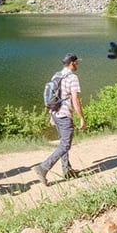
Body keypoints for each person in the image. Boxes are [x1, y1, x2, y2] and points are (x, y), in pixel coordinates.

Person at [35, 53, 86, 186]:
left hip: (55, 114)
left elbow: (52, 96)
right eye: (77, 62)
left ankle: (67, 170)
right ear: (72, 64)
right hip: (64, 115)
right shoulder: (73, 78)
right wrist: (81, 118)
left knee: (63, 143)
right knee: (65, 145)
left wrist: (51, 115)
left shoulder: (56, 75)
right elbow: (75, 99)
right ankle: (43, 168)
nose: (78, 65)